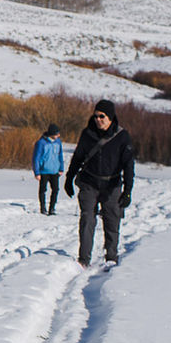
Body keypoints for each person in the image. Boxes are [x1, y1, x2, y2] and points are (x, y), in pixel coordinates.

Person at [64, 99, 135, 267]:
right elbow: (78, 157)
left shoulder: (122, 136)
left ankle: (111, 258)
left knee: (112, 221)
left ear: (110, 117)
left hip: (112, 186)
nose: (98, 120)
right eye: (95, 116)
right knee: (87, 219)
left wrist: (127, 191)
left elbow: (128, 165)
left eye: (102, 116)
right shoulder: (87, 134)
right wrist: (69, 178)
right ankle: (83, 260)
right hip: (89, 182)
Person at [33, 123, 63, 215]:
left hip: (55, 171)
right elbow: (36, 158)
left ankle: (52, 208)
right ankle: (43, 208)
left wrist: (61, 168)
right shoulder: (41, 143)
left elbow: (60, 155)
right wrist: (37, 172)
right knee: (43, 190)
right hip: (44, 171)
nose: (59, 135)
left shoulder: (58, 142)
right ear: (52, 133)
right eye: (57, 133)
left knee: (55, 189)